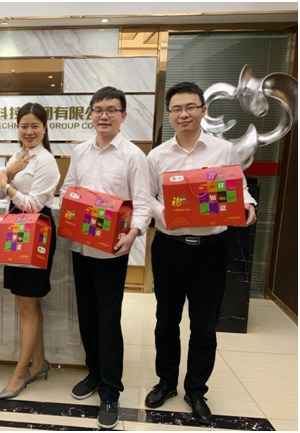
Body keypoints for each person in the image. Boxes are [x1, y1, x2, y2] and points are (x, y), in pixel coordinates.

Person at [145, 82, 257, 425]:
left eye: (191, 107)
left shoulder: (223, 151)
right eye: (177, 109)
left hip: (211, 250)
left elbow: (239, 189)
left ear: (203, 110)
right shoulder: (157, 156)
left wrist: (248, 205)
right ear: (169, 114)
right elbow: (146, 196)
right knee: (166, 320)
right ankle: (166, 382)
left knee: (204, 324)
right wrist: (162, 213)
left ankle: (195, 390)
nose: (184, 114)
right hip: (169, 248)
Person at [59, 87, 151, 429]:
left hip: (112, 250)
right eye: (98, 109)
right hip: (81, 247)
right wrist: (75, 202)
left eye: (112, 110)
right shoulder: (80, 152)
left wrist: (133, 233)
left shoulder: (133, 156)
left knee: (108, 320)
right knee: (86, 315)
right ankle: (94, 374)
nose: (104, 116)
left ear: (123, 116)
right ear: (91, 114)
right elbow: (68, 189)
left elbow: (142, 202)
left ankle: (111, 391)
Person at [0, 102, 61, 400]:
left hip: (35, 233)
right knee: (27, 303)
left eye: (35, 126)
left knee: (28, 303)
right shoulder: (19, 155)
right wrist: (8, 173)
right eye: (24, 126)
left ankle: (20, 374)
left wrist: (6, 183)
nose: (29, 131)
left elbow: (33, 204)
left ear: (45, 128)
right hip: (17, 231)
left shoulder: (46, 161)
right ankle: (38, 362)